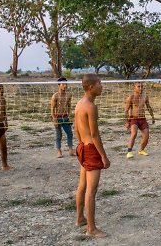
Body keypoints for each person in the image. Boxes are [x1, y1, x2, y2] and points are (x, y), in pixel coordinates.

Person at [74, 73, 111, 238]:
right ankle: (91, 228)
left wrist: (81, 145)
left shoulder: (79, 104)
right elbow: (95, 134)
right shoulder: (90, 106)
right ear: (91, 87)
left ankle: (80, 218)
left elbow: (76, 129)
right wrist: (103, 155)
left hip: (82, 147)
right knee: (91, 190)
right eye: (99, 83)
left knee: (82, 186)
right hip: (90, 149)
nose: (101, 86)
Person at [124, 82, 155, 159]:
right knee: (134, 134)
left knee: (146, 135)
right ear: (134, 87)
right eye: (138, 86)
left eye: (142, 86)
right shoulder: (131, 97)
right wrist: (127, 121)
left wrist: (152, 116)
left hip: (142, 118)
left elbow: (148, 107)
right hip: (133, 119)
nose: (140, 88)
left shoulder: (145, 97)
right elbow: (126, 110)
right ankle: (129, 152)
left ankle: (141, 150)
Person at [50, 77, 74, 158]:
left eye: (66, 84)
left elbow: (69, 107)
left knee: (70, 133)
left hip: (66, 117)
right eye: (63, 84)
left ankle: (70, 150)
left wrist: (70, 116)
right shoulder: (55, 96)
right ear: (59, 85)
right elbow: (52, 108)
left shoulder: (69, 95)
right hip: (58, 118)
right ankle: (59, 151)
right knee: (58, 135)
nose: (65, 86)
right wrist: (54, 120)